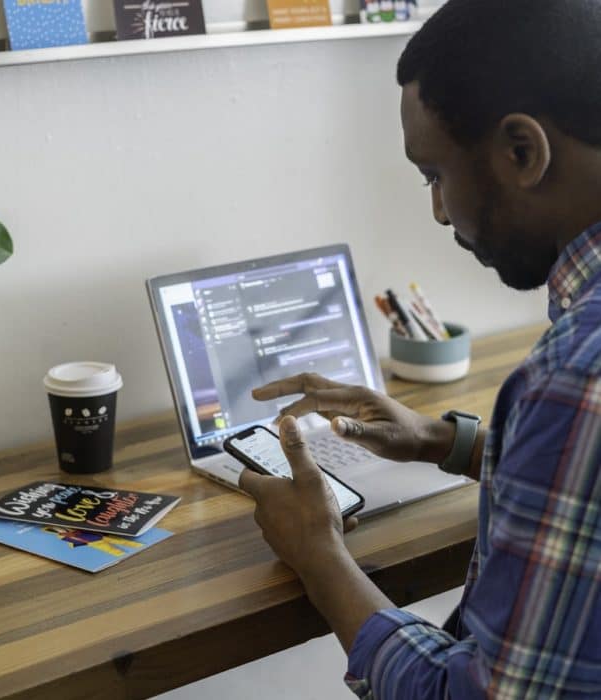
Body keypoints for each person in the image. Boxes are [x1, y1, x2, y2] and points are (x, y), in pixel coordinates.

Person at [239, 0, 601, 697]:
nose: (438, 210)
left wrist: (319, 556)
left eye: (434, 174)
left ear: (523, 152)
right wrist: (443, 441)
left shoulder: (576, 377)